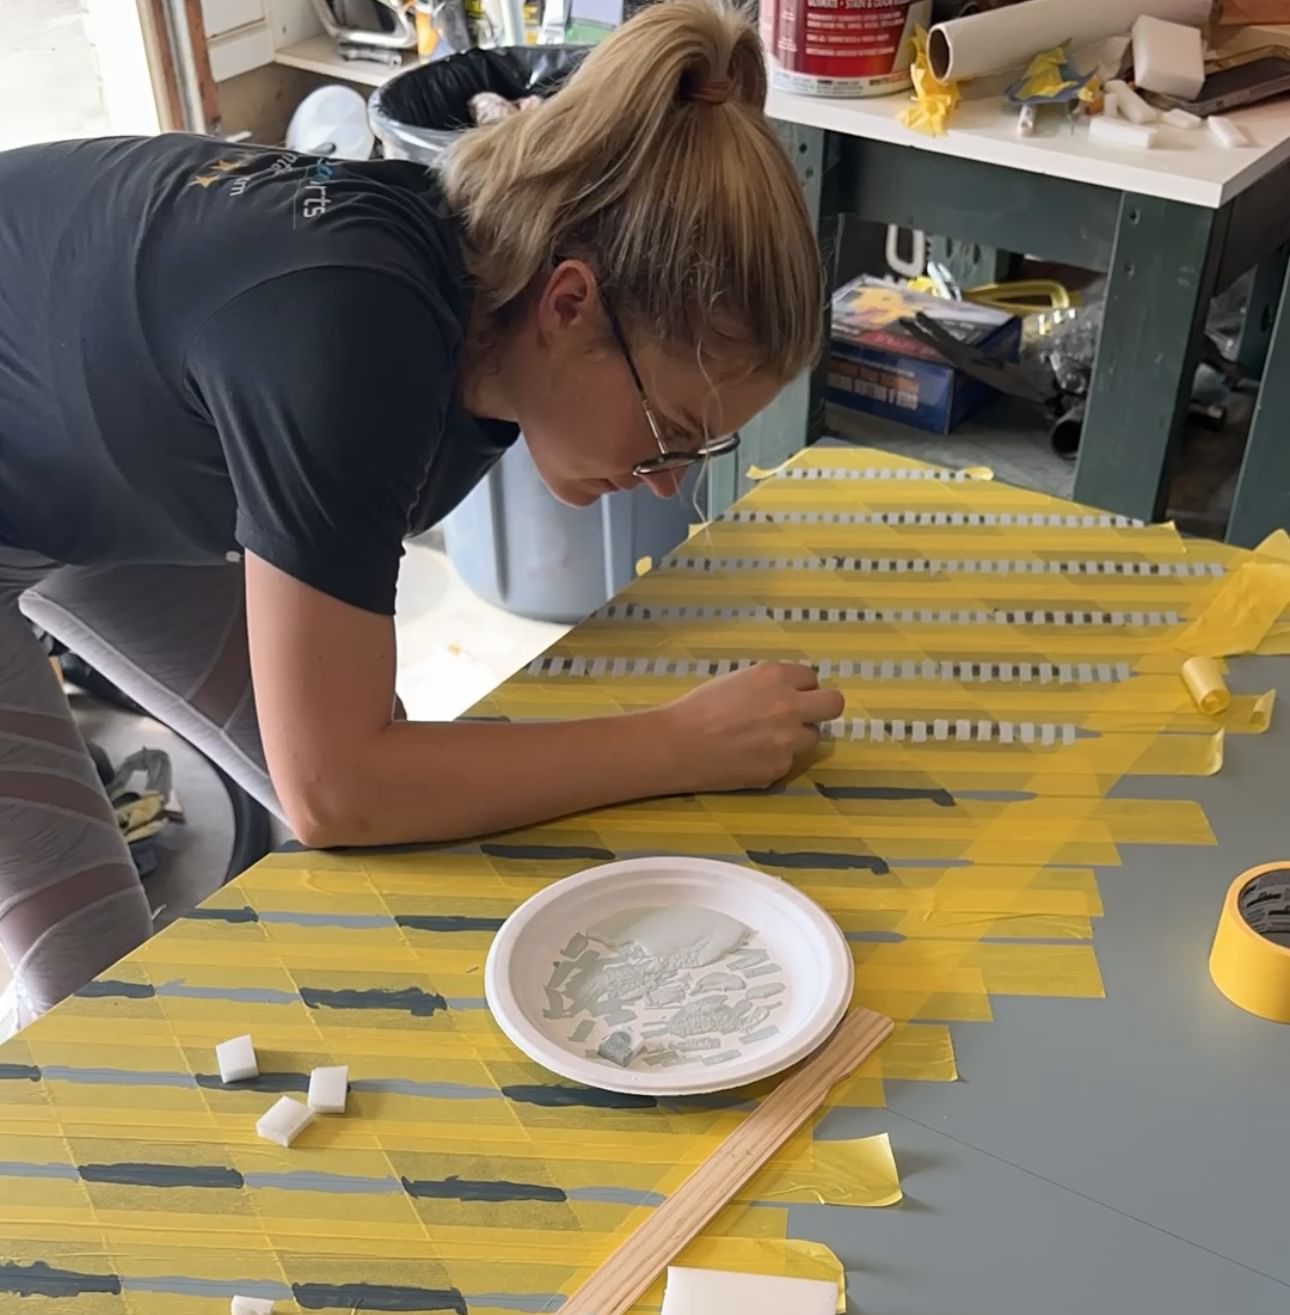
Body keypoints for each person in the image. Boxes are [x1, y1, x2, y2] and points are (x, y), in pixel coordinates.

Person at [0, 0, 842, 1020]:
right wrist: (681, 740)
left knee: (380, 787)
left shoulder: (476, 323)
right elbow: (339, 790)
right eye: (669, 430)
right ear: (570, 305)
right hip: (51, 433)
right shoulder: (355, 336)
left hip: (88, 440)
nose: (668, 481)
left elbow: (358, 770)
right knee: (90, 970)